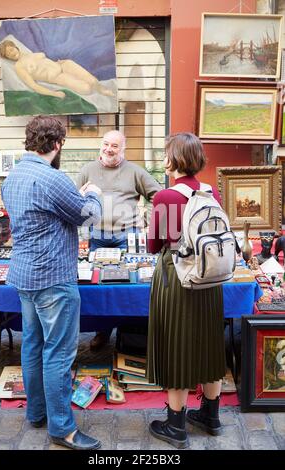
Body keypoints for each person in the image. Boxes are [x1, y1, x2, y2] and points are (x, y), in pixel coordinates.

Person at [1, 115, 103, 451]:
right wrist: (94, 194)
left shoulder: (12, 176)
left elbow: (40, 215)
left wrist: (76, 195)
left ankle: (37, 413)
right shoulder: (52, 177)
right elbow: (88, 215)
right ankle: (62, 429)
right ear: (57, 144)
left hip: (23, 276)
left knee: (32, 345)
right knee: (58, 354)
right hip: (53, 278)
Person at [146, 133, 227, 449]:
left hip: (177, 279)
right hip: (210, 279)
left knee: (176, 344)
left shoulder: (166, 197)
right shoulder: (211, 192)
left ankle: (176, 425)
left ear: (173, 159)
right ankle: (211, 416)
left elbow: (155, 244)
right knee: (208, 343)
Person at [77, 130, 162, 351]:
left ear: (123, 149)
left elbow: (158, 195)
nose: (109, 149)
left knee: (128, 284)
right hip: (96, 237)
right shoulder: (88, 170)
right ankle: (102, 332)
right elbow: (74, 197)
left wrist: (148, 220)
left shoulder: (135, 171)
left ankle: (131, 334)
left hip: (128, 237)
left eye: (114, 146)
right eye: (106, 144)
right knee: (98, 288)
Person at [0, 40, 114, 99]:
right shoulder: (19, 67)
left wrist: (59, 63)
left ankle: (102, 89)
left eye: (11, 49)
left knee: (93, 81)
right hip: (57, 77)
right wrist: (54, 94)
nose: (11, 53)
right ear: (7, 57)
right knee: (87, 89)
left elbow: (44, 62)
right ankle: (97, 89)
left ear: (15, 47)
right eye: (8, 54)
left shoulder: (30, 54)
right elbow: (33, 86)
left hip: (64, 65)